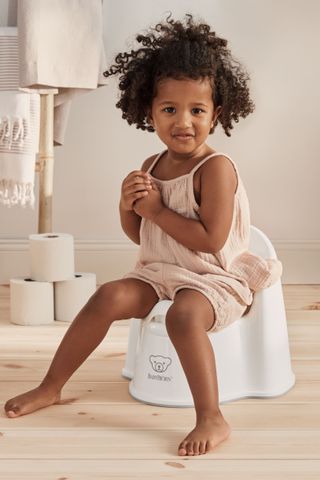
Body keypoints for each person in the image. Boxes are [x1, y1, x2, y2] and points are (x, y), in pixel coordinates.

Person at [4, 14, 282, 456]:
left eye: (197, 110)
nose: (183, 121)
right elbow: (141, 235)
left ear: (217, 114)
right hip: (160, 272)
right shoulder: (152, 165)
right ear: (148, 111)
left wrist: (153, 207)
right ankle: (51, 385)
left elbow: (211, 240)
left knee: (182, 317)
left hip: (214, 280)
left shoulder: (216, 169)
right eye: (169, 109)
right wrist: (127, 206)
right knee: (106, 296)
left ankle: (212, 416)